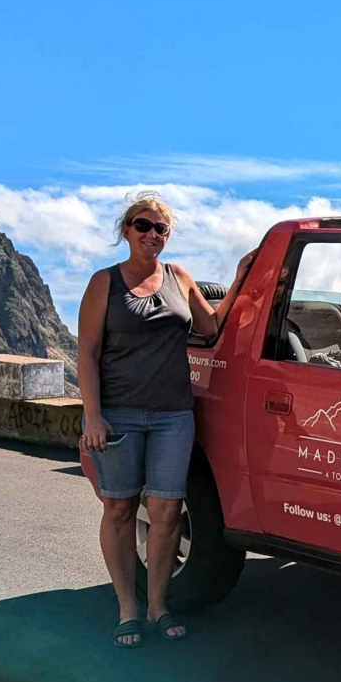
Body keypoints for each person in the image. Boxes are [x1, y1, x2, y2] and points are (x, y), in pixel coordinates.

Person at [76, 192, 253, 648]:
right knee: (118, 508)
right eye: (143, 226)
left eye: (161, 229)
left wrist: (237, 281)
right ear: (126, 230)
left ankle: (158, 605)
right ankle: (127, 607)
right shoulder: (104, 284)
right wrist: (92, 416)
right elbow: (88, 354)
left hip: (174, 415)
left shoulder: (178, 278)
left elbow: (210, 326)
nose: (152, 235)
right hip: (118, 416)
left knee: (167, 511)